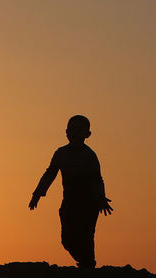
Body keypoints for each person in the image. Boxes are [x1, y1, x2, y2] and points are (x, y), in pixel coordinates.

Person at [29, 115, 112, 268]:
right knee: (67, 240)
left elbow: (97, 179)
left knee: (86, 236)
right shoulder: (61, 154)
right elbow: (50, 174)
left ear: (87, 134)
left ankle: (88, 266)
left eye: (78, 129)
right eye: (71, 129)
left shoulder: (90, 156)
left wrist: (101, 197)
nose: (74, 132)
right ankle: (86, 262)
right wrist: (37, 194)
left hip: (89, 203)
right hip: (69, 202)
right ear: (66, 132)